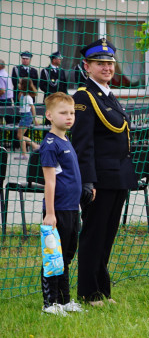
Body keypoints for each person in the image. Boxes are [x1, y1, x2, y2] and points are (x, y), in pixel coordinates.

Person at [71, 38, 137, 306]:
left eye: (110, 63)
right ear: (87, 66)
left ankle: (102, 291)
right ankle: (88, 293)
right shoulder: (84, 97)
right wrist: (87, 181)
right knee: (94, 236)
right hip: (100, 180)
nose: (107, 68)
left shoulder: (108, 95)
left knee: (107, 237)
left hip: (117, 176)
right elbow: (83, 145)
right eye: (100, 63)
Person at [39, 92, 85, 315]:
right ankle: (50, 304)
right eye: (63, 113)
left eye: (71, 113)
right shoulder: (49, 145)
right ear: (49, 115)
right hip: (56, 211)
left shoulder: (66, 140)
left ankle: (65, 300)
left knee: (66, 256)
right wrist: (50, 213)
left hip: (71, 209)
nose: (69, 117)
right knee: (53, 257)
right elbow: (49, 182)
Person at [16, 78, 38, 153]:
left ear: (23, 85)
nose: (18, 85)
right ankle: (34, 146)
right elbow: (20, 102)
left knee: (20, 136)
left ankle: (26, 152)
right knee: (20, 136)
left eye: (20, 83)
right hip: (23, 116)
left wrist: (35, 119)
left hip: (27, 116)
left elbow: (32, 107)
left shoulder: (28, 97)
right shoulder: (21, 95)